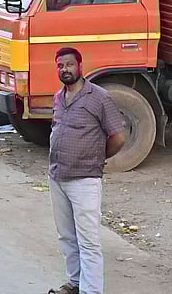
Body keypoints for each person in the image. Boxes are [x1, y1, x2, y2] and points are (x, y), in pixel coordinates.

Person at [47, 47, 125, 294]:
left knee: (88, 240)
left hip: (85, 179)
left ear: (80, 66)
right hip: (57, 175)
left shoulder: (99, 97)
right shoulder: (59, 97)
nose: (65, 69)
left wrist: (96, 158)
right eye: (60, 66)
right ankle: (74, 283)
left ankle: (91, 291)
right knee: (67, 237)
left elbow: (118, 137)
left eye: (69, 65)